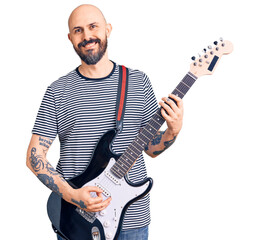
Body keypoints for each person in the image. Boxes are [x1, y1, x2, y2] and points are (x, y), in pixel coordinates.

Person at [26, 4, 184, 240]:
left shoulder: (138, 81)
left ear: (108, 29)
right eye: (78, 30)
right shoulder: (57, 91)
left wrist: (173, 131)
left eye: (93, 27)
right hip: (76, 219)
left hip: (131, 219)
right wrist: (73, 195)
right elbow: (33, 156)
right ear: (70, 38)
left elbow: (150, 148)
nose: (87, 36)